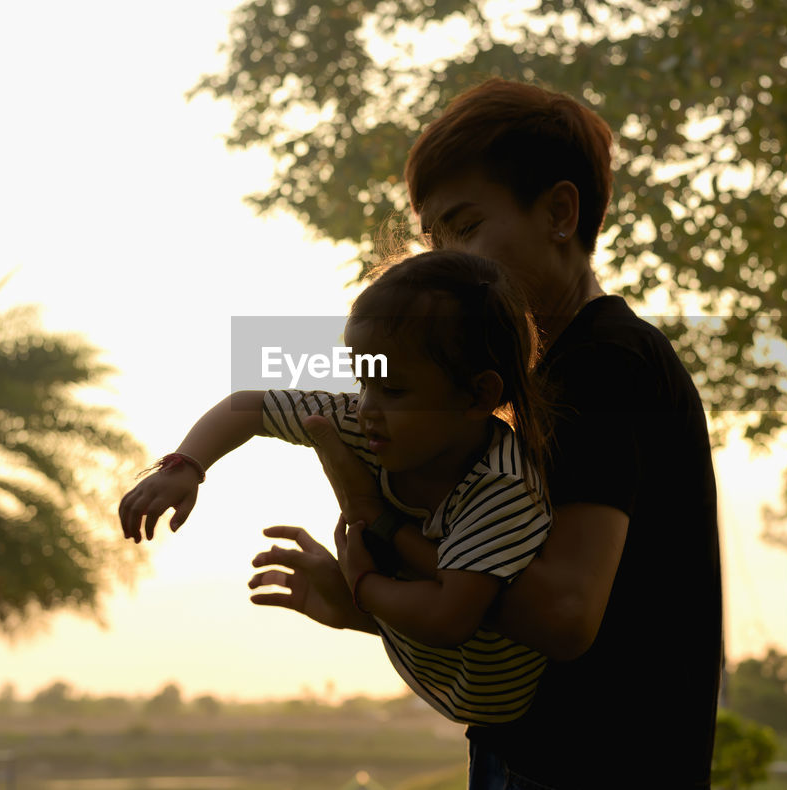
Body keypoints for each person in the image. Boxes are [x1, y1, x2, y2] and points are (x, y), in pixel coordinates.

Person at [247, 80, 722, 789]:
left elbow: (563, 614)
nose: (445, 264)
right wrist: (370, 603)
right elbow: (490, 599)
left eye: (465, 228)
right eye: (434, 240)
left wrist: (376, 545)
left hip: (595, 765)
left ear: (560, 212)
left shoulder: (601, 365)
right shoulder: (528, 387)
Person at [117, 249, 557, 726]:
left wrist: (359, 585)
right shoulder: (355, 422)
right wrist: (184, 466)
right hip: (444, 689)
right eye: (363, 381)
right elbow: (247, 407)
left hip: (502, 707)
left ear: (478, 396)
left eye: (393, 390)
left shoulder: (501, 487)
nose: (366, 405)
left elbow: (447, 617)